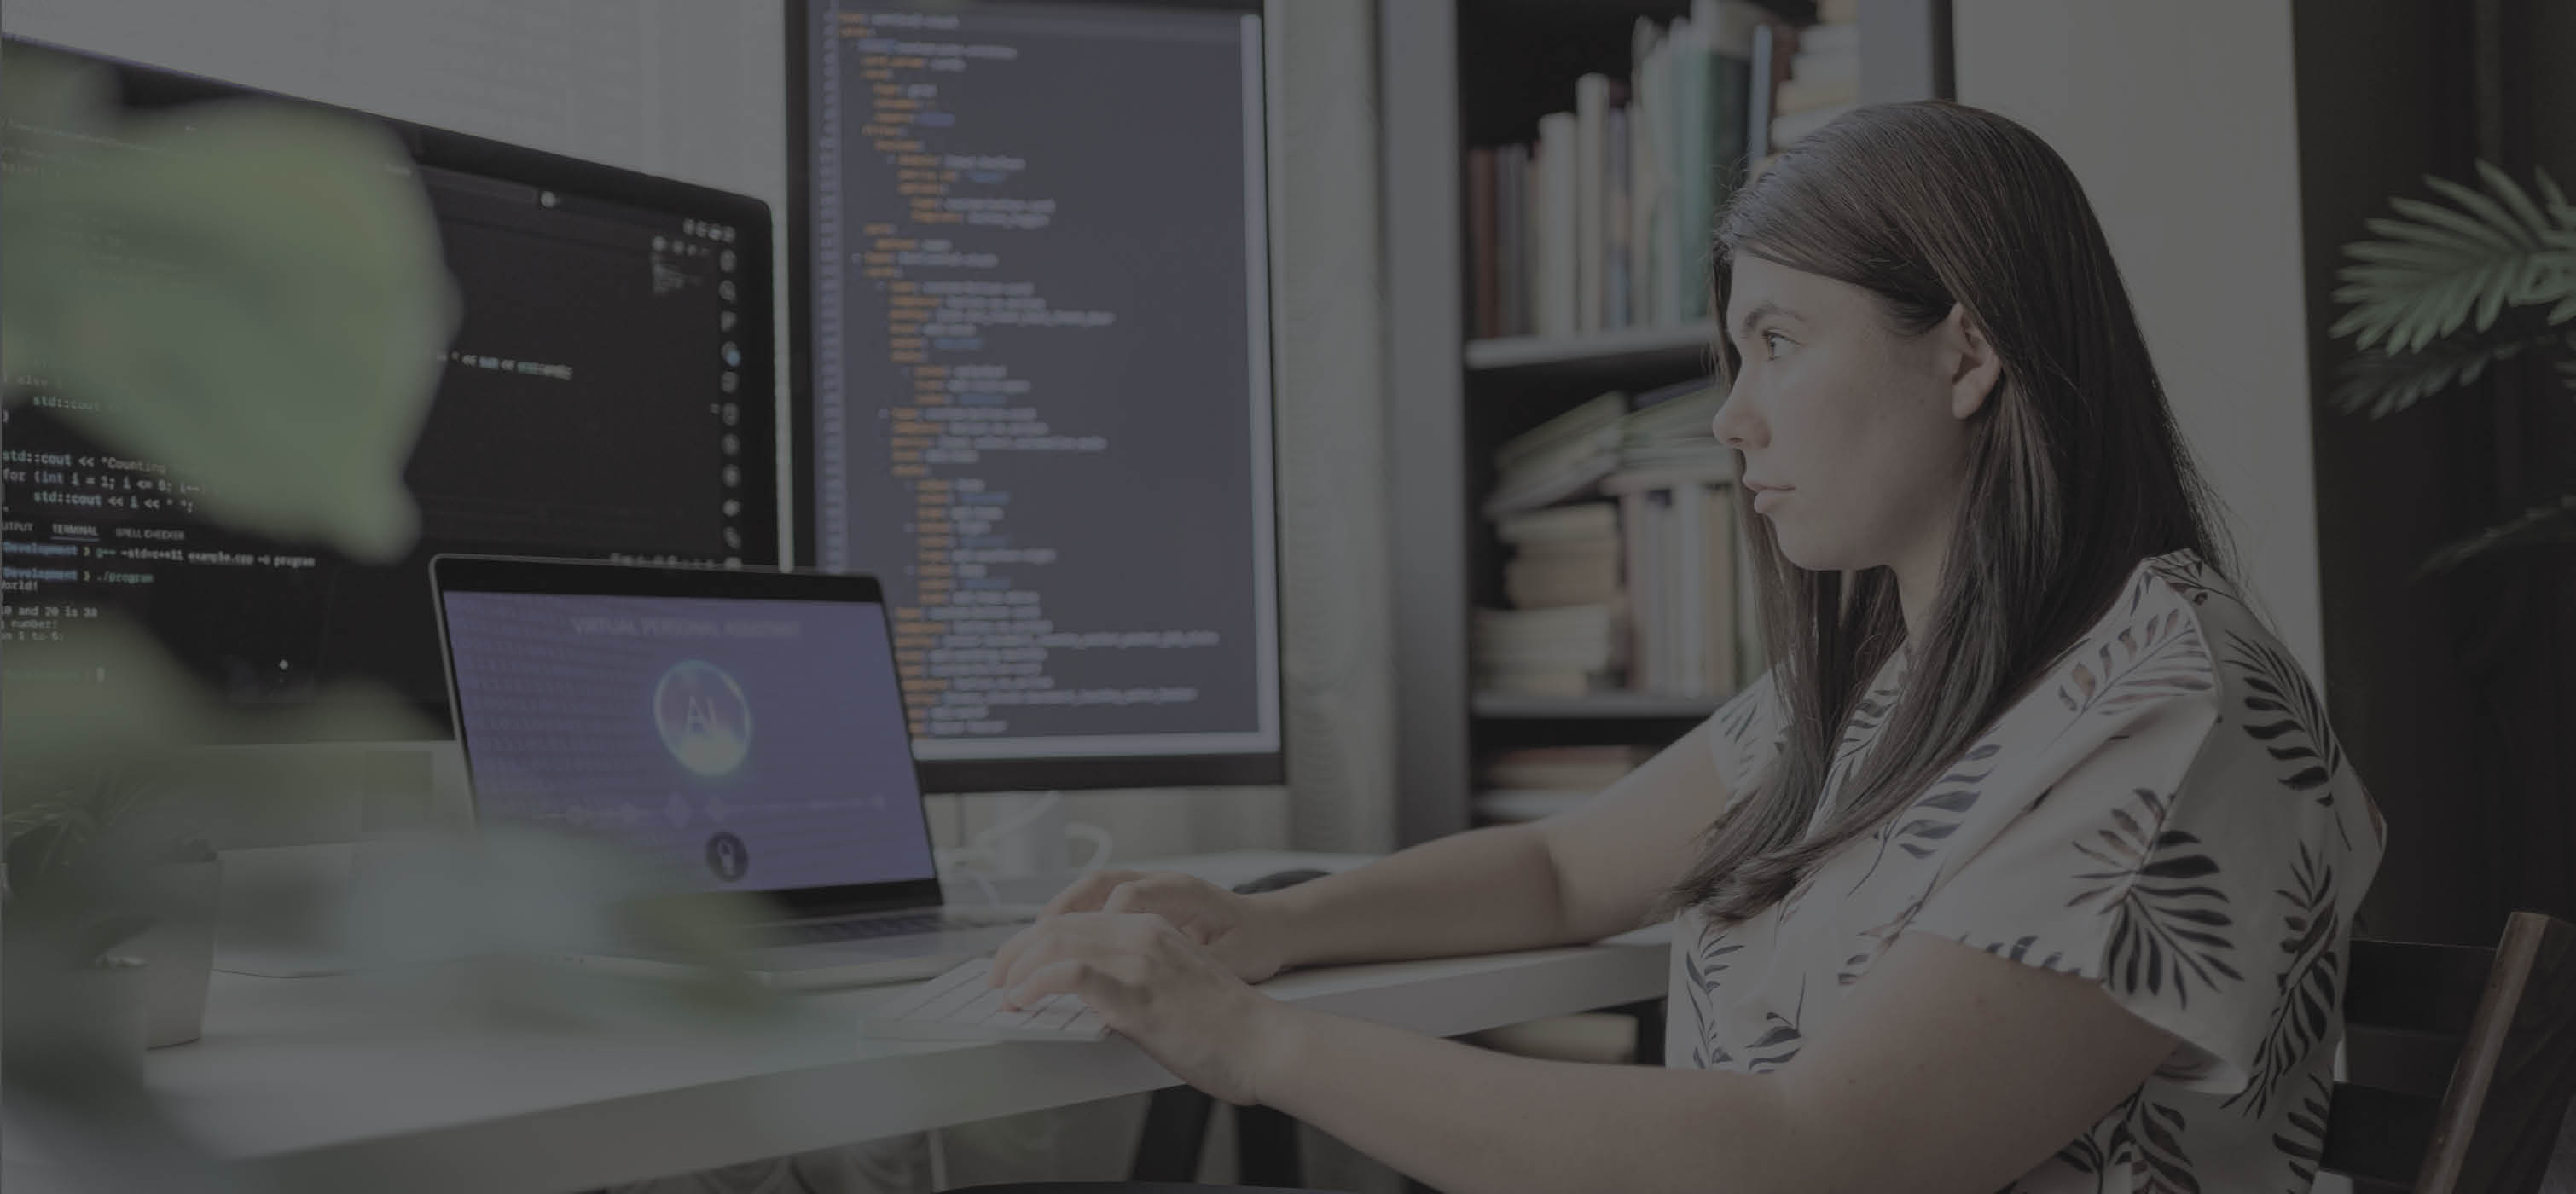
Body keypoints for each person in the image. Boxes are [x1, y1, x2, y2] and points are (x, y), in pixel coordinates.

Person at [986, 100, 2386, 1194]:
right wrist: (1274, 924)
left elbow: (1811, 1161)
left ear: (1967, 354)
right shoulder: (1907, 673)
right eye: (1734, 354)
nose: (1732, 417)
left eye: (1779, 341)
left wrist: (1248, 1042)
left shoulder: (2167, 710)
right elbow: (1562, 866)